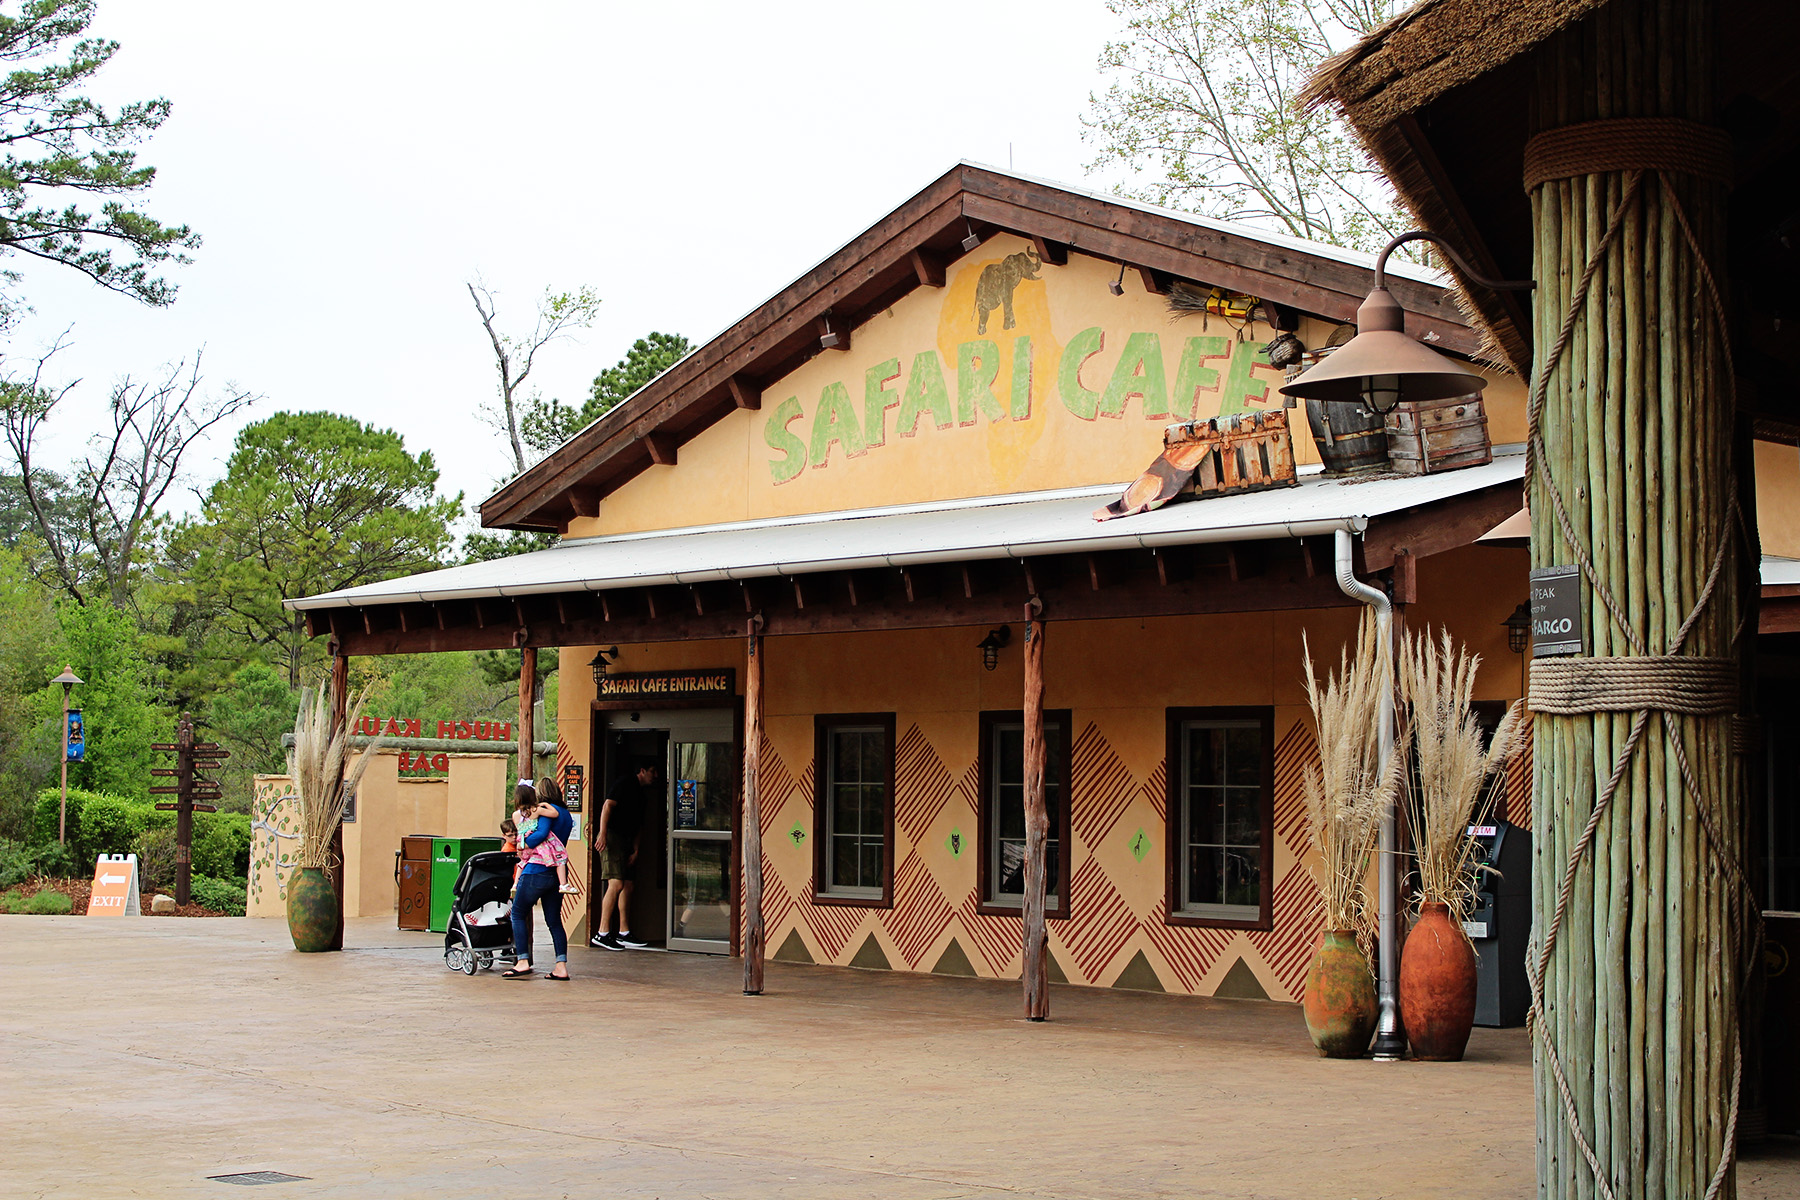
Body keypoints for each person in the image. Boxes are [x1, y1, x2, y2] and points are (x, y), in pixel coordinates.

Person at [501, 780, 572, 981]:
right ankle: (561, 966)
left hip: (537, 869)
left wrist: (523, 843)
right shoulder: (565, 814)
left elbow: (539, 835)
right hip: (556, 869)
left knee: (517, 913)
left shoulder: (541, 811)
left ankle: (522, 961)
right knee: (554, 920)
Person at [590, 758, 657, 950]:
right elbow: (607, 806)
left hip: (628, 839)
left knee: (628, 884)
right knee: (616, 883)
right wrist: (603, 833)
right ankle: (602, 933)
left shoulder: (642, 795)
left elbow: (639, 825)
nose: (655, 776)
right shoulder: (624, 782)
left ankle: (623, 932)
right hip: (613, 836)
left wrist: (636, 849)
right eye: (652, 771)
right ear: (642, 770)